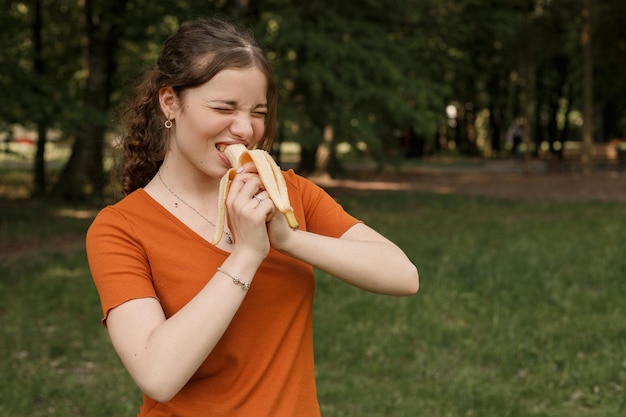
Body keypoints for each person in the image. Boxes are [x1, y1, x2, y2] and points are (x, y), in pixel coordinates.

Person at [86, 17, 418, 417]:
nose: (245, 129)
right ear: (170, 102)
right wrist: (246, 253)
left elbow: (403, 276)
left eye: (257, 111)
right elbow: (158, 373)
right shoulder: (120, 228)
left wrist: (291, 239)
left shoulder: (288, 193)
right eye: (223, 107)